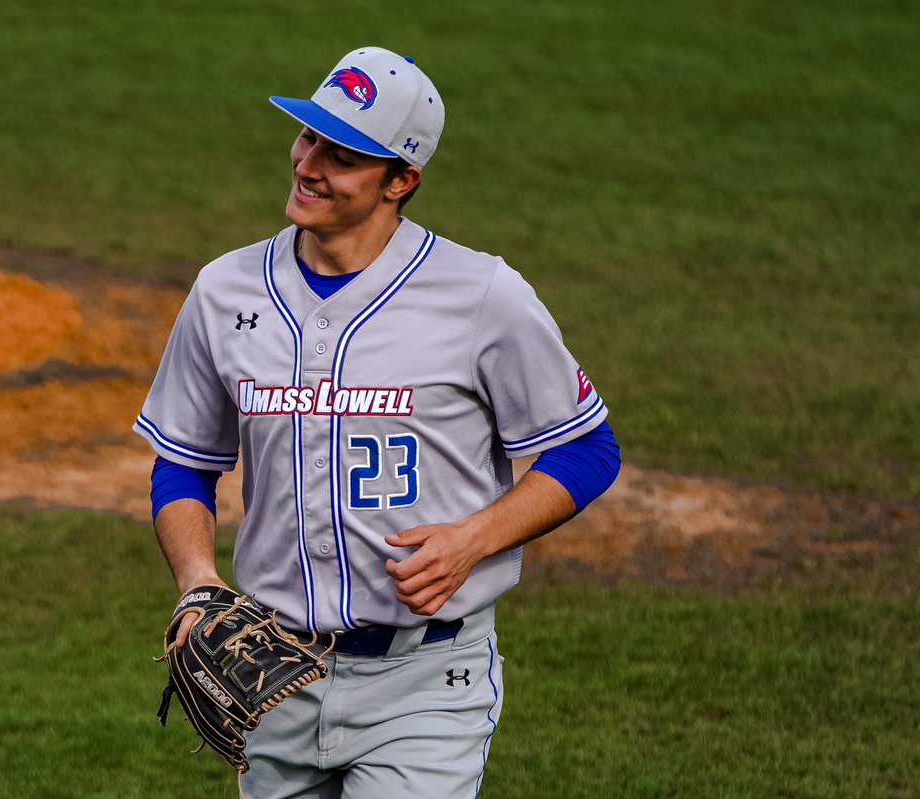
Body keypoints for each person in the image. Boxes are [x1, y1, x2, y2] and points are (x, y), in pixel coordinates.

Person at [135, 46, 621, 798]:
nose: (310, 163)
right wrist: (198, 581)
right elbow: (186, 459)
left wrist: (472, 540)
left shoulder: (481, 294)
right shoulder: (223, 289)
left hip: (425, 682)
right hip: (270, 674)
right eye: (308, 136)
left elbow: (588, 448)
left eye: (345, 154)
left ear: (402, 180)